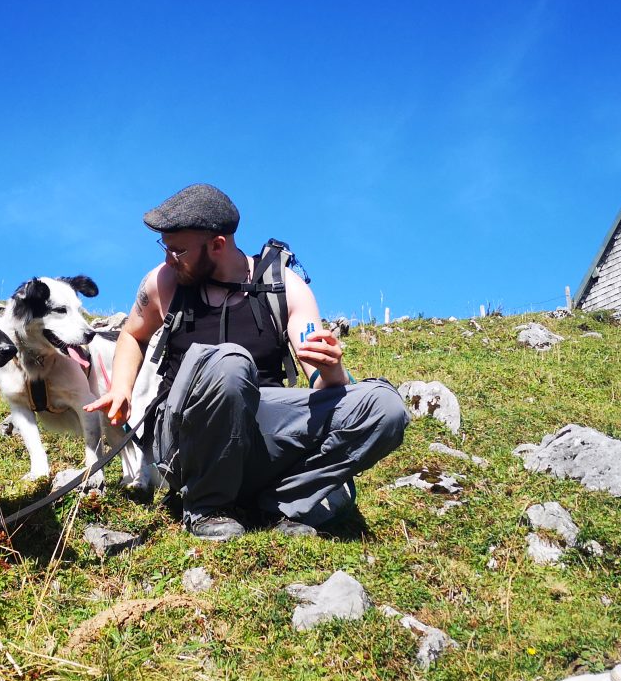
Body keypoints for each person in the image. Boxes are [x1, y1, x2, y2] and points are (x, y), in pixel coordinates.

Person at [86, 182, 408, 540]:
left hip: (261, 431)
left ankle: (281, 503)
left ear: (217, 244)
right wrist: (121, 388)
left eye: (178, 250)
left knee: (385, 406)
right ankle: (207, 507)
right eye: (165, 247)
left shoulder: (283, 287)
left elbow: (320, 381)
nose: (168, 259)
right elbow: (133, 334)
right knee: (229, 362)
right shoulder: (164, 283)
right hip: (185, 438)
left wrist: (331, 368)